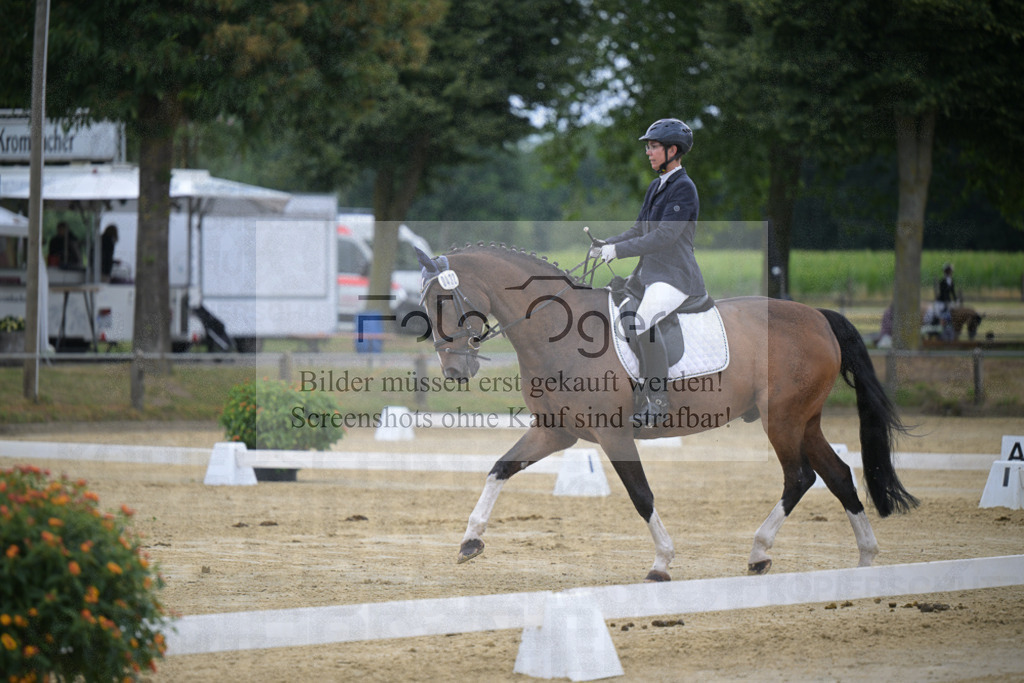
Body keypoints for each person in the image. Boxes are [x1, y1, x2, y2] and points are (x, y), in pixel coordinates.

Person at [591, 117, 708, 422]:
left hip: (675, 277)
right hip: (650, 275)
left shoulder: (684, 188)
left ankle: (657, 402)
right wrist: (607, 244)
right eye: (649, 147)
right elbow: (638, 230)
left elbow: (665, 236)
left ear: (673, 150)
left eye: (654, 147)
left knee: (643, 322)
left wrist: (618, 251)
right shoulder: (657, 186)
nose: (648, 152)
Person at [934, 263, 959, 341]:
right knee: (941, 313)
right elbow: (943, 293)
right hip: (941, 301)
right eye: (948, 271)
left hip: (948, 301)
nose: (949, 273)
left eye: (950, 271)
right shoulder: (942, 281)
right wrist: (947, 302)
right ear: (945, 272)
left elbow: (953, 292)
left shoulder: (951, 281)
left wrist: (956, 300)